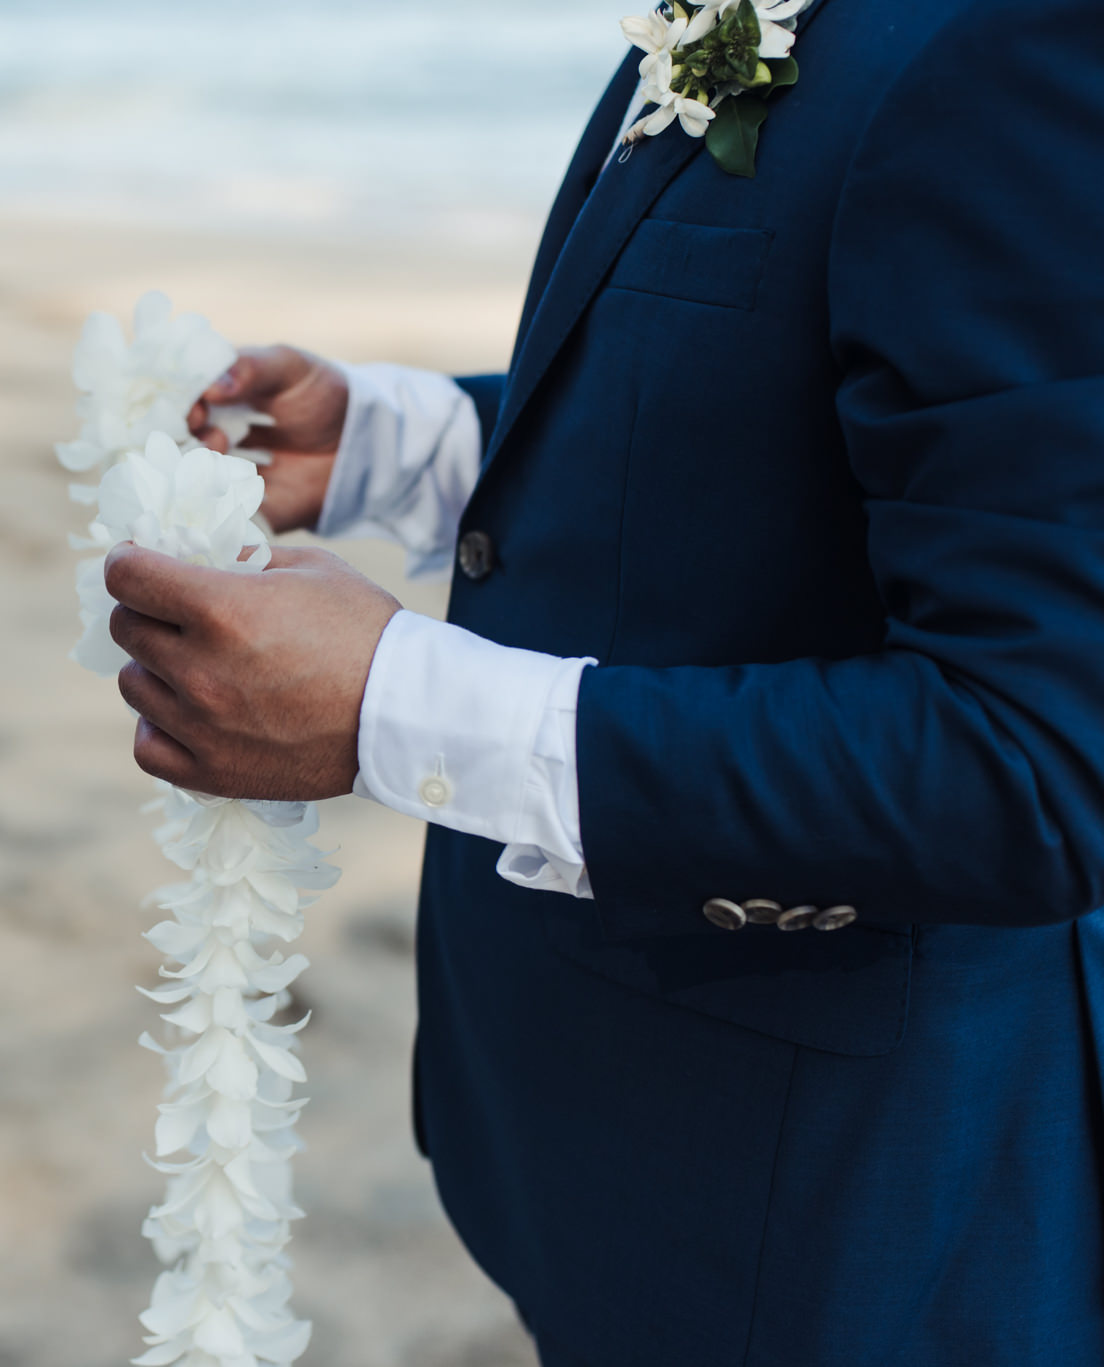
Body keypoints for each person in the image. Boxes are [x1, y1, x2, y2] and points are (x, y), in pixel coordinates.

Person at [106, 1, 1104, 1363]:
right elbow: (800, 390)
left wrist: (397, 706)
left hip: (838, 1222)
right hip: (622, 1157)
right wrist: (412, 444)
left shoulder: (1007, 45)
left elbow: (1031, 766)